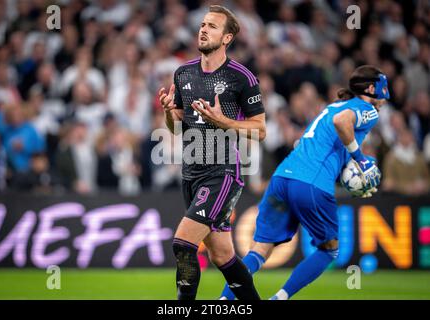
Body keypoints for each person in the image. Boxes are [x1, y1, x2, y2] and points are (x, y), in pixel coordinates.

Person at [220, 65, 387, 300]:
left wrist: (348, 177)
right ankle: (279, 298)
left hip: (282, 178)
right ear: (372, 88)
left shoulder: (330, 107)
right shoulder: (367, 109)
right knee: (330, 250)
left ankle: (223, 300)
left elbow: (306, 145)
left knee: (260, 249)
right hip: (310, 183)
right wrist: (362, 161)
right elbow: (342, 122)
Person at [158, 5, 266, 300]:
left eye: (212, 26)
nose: (203, 29)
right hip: (190, 171)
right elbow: (176, 125)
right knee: (222, 256)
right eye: (203, 24)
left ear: (227, 37)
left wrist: (224, 121)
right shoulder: (183, 73)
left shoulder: (241, 77)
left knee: (183, 243)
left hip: (223, 172)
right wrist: (169, 112)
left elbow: (260, 130)